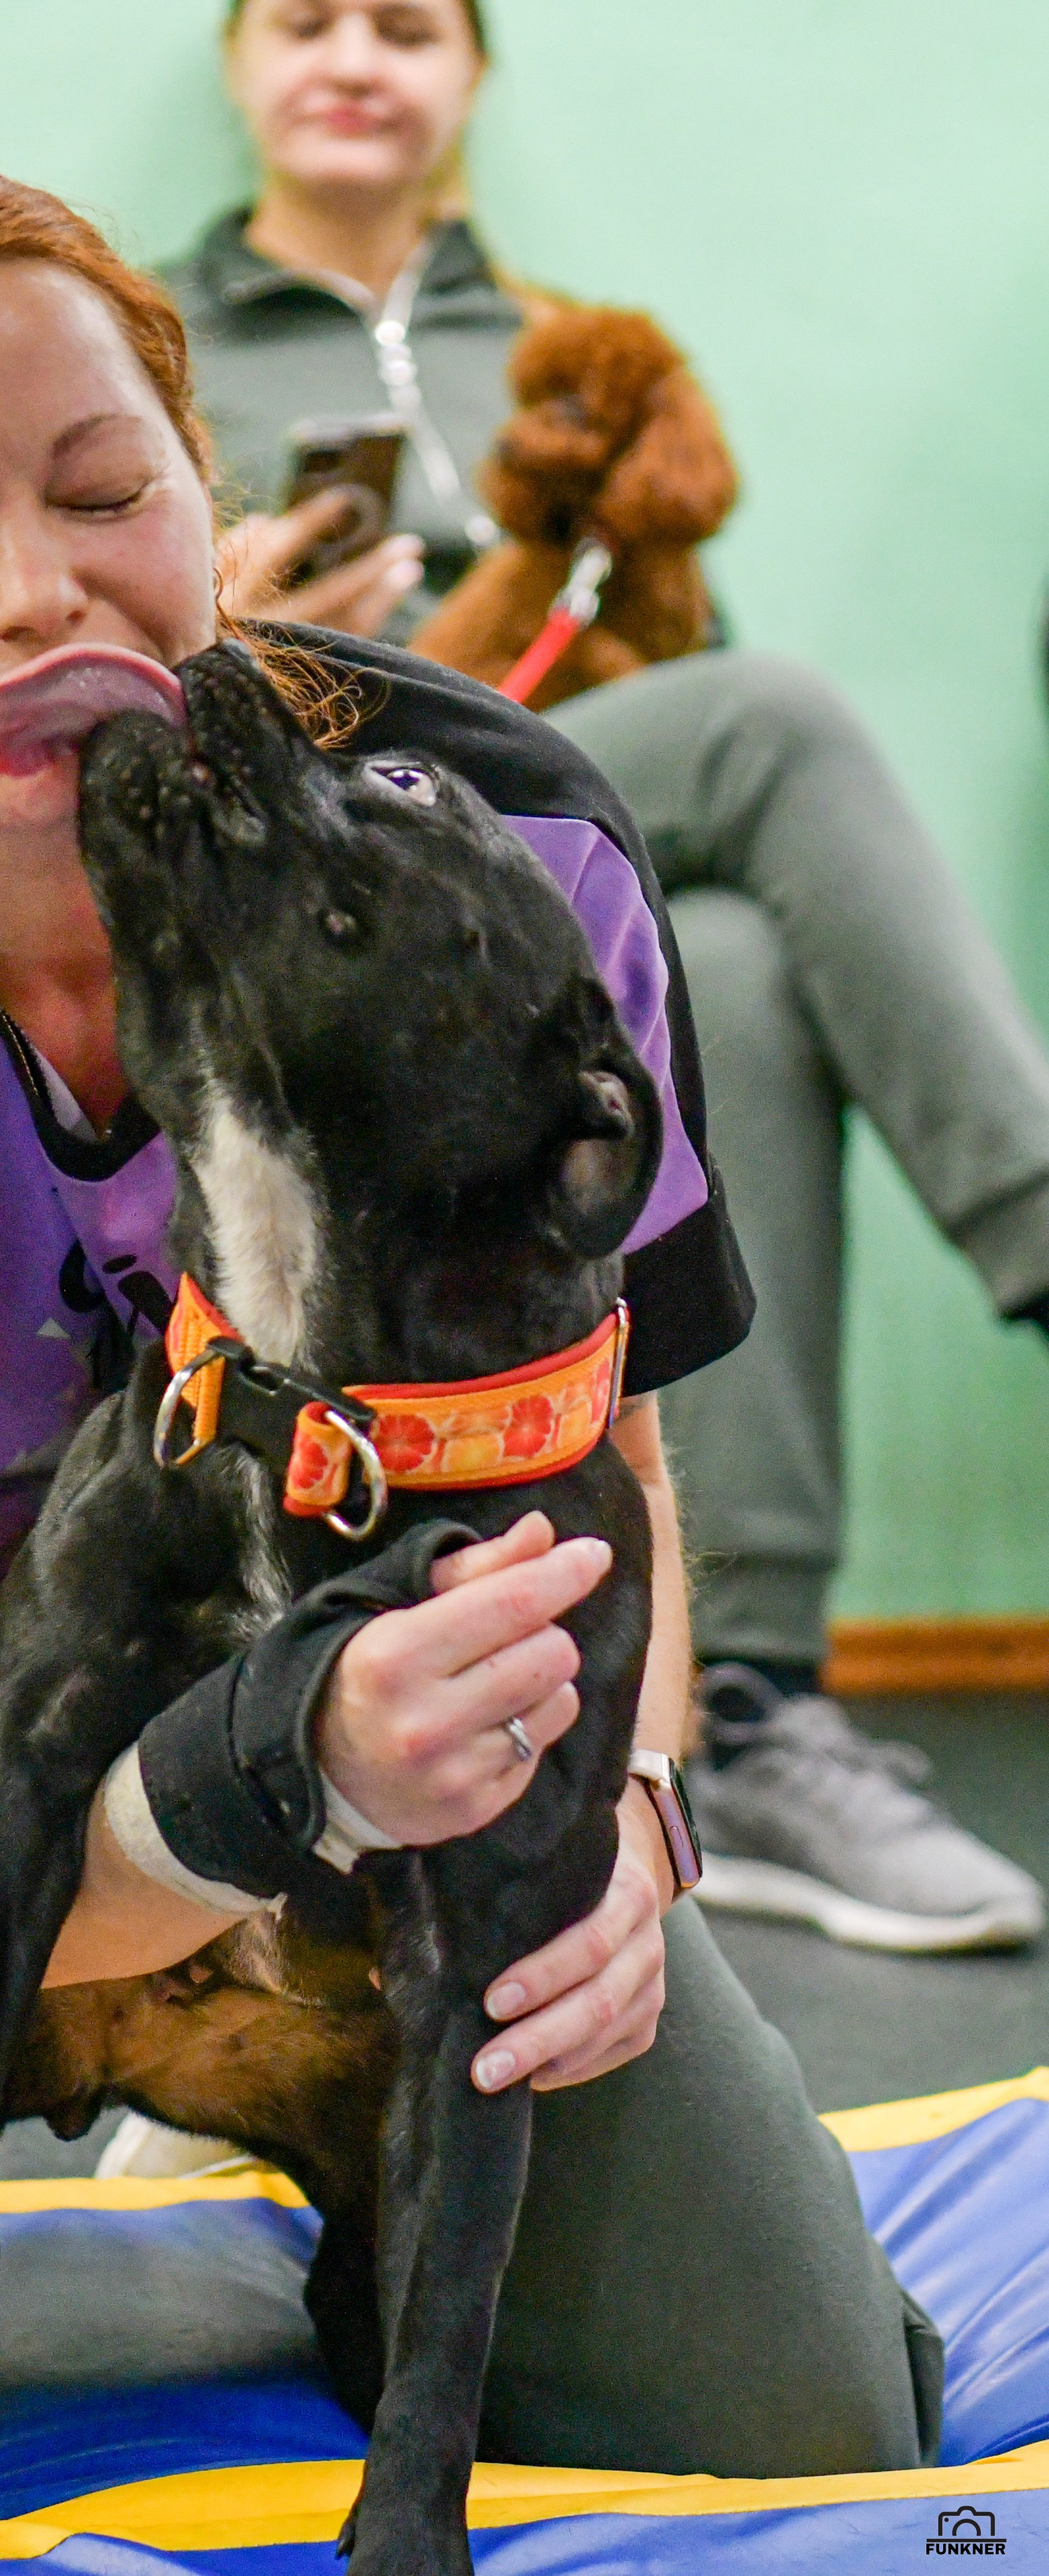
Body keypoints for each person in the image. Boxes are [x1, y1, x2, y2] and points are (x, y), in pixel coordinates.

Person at [0, 158, 938, 2553]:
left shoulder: (511, 849)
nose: (43, 590)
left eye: (110, 492)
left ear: (205, 482)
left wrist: (623, 1792)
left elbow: (597, 1438)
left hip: (372, 1596)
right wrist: (252, 1785)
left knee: (799, 2415)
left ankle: (361, 2160)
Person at [164, 0, 1049, 1953]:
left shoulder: (564, 343)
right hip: (289, 866)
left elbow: (673, 664)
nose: (357, 58)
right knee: (785, 729)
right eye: (305, 19)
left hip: (543, 903)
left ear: (476, 74)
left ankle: (755, 1709)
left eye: (409, 25)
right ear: (236, 62)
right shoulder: (150, 346)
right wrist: (253, 627)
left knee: (724, 957)